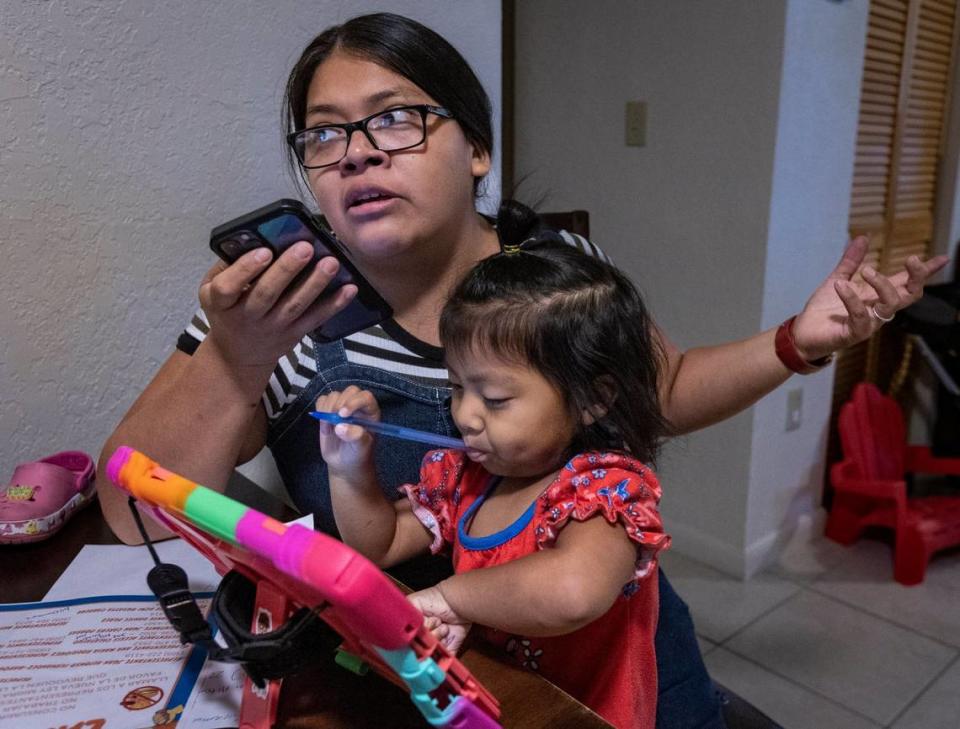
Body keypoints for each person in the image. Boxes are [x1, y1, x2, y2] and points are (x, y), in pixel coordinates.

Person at [96, 12, 949, 728]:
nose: (356, 152)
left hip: (619, 672)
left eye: (394, 117)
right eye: (325, 134)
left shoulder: (558, 267)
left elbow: (665, 388)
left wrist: (800, 338)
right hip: (415, 691)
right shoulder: (267, 310)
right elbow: (127, 509)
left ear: (477, 148)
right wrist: (238, 359)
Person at [316, 232, 671, 728]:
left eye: (496, 399)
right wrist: (349, 468)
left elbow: (575, 591)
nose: (466, 415)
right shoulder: (468, 476)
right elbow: (382, 543)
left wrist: (450, 597)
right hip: (495, 706)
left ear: (594, 399)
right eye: (457, 387)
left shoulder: (602, 488)